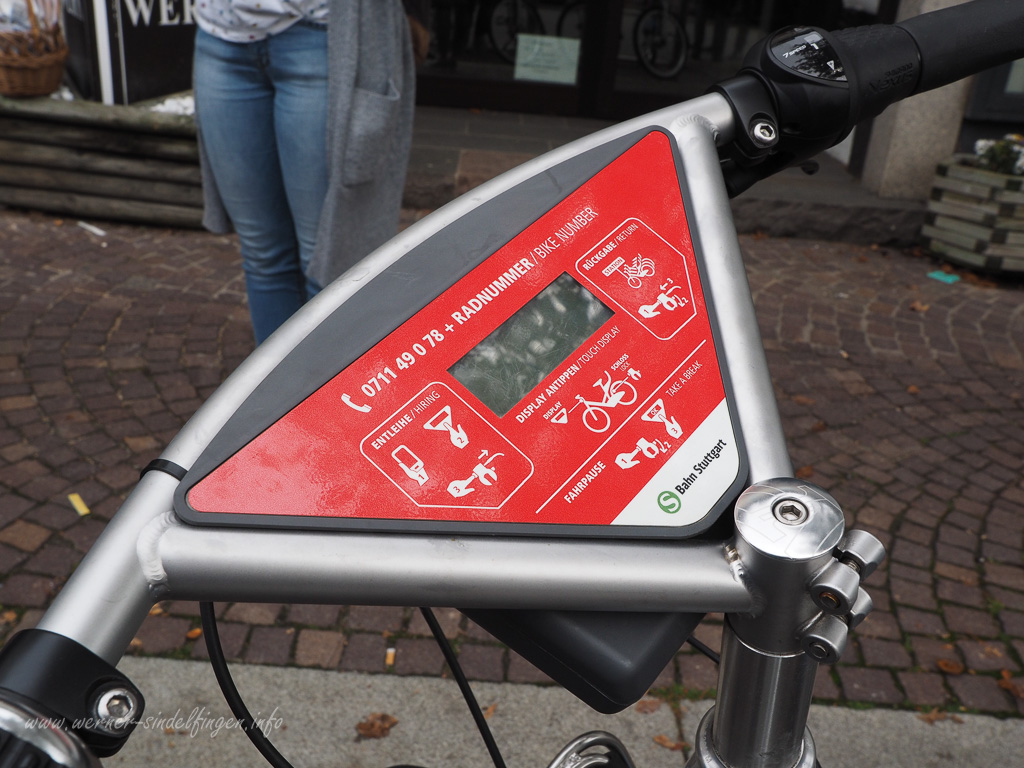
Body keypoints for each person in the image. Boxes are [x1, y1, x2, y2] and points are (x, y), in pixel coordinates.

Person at [193, 0, 424, 344]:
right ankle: (278, 379)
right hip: (221, 35)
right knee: (262, 254)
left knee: (330, 261)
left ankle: (332, 379)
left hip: (325, 34)